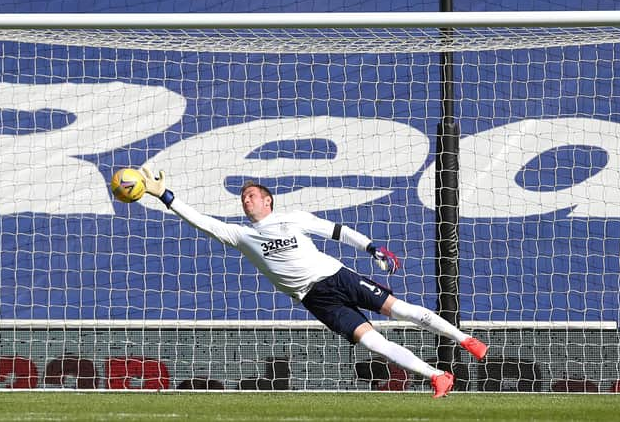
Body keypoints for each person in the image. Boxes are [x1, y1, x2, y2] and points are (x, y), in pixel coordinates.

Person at [138, 167, 487, 398]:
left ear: (267, 200)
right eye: (243, 198)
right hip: (316, 299)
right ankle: (436, 376)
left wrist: (371, 247)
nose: (246, 202)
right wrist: (165, 195)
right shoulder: (241, 235)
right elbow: (201, 221)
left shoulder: (293, 219)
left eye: (251, 196)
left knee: (403, 312)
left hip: (337, 276)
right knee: (375, 344)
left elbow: (336, 231)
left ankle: (466, 339)